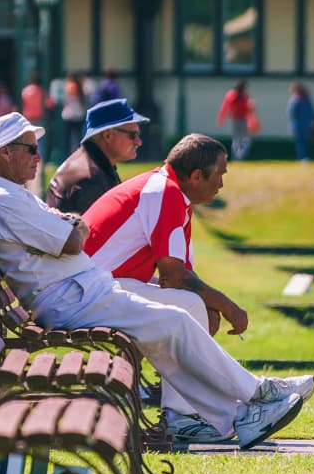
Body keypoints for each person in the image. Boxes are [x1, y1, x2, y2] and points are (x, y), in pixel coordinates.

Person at [0, 113, 314, 448]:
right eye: (31, 149)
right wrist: (70, 226)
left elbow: (74, 228)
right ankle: (255, 397)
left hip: (80, 291)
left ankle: (230, 413)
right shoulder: (3, 201)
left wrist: (71, 226)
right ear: (5, 152)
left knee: (175, 323)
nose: (38, 156)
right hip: (71, 297)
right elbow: (74, 239)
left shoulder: (11, 196)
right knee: (176, 323)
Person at [82, 134, 253, 339]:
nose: (221, 184)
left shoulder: (168, 190)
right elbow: (173, 277)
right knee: (192, 304)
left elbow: (180, 276)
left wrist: (215, 304)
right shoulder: (165, 192)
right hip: (87, 292)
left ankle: (180, 362)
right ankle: (189, 363)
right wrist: (229, 307)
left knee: (200, 306)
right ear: (197, 176)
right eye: (219, 174)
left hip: (93, 287)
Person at [46, 97, 147, 217]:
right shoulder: (90, 179)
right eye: (132, 135)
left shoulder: (91, 163)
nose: (139, 142)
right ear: (108, 135)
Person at [216, 80, 257, 160]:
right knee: (244, 140)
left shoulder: (231, 95)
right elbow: (250, 110)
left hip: (237, 120)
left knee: (237, 140)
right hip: (241, 121)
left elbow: (225, 108)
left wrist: (221, 118)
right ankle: (239, 156)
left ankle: (237, 157)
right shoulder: (244, 96)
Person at [288, 83, 314, 162]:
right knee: (305, 142)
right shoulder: (307, 99)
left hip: (298, 124)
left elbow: (291, 112)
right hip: (307, 124)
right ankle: (305, 157)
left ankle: (302, 157)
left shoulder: (295, 99)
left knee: (300, 142)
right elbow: (312, 112)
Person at [58, 75, 87, 150]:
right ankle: (78, 153)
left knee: (67, 140)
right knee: (78, 139)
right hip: (79, 116)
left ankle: (67, 155)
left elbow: (64, 101)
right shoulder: (80, 88)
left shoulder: (68, 86)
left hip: (68, 116)